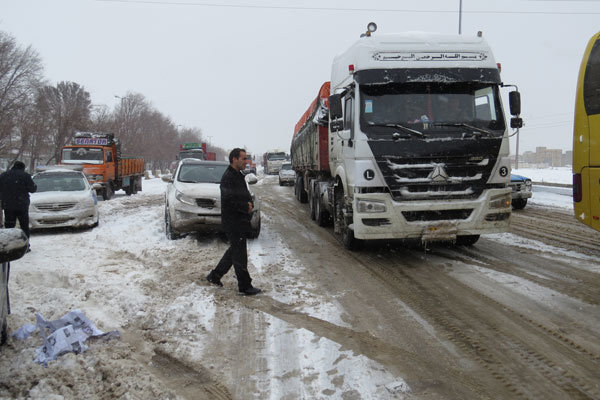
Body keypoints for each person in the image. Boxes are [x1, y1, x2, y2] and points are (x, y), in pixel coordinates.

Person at [206, 148, 261, 296]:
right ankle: (244, 286)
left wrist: (249, 203)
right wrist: (245, 206)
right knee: (240, 255)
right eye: (243, 158)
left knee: (234, 252)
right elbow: (230, 200)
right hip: (233, 222)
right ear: (234, 159)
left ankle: (214, 276)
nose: (246, 161)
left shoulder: (238, 175)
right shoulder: (228, 177)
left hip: (240, 221)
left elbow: (245, 194)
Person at [0, 161, 37, 244]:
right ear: (22, 168)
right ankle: (26, 245)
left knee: (9, 227)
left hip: (8, 205)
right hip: (22, 205)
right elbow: (33, 189)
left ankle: (10, 245)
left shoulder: (3, 175)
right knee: (24, 226)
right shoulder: (25, 176)